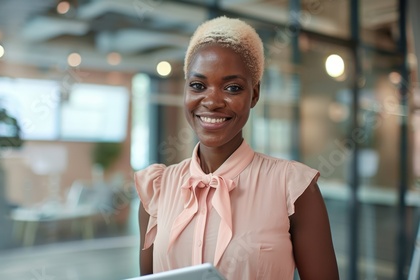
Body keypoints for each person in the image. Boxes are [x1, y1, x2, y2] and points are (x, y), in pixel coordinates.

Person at [135, 16, 339, 280]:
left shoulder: (294, 189)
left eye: (232, 87)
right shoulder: (156, 189)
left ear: (254, 94)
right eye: (198, 85)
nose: (212, 101)